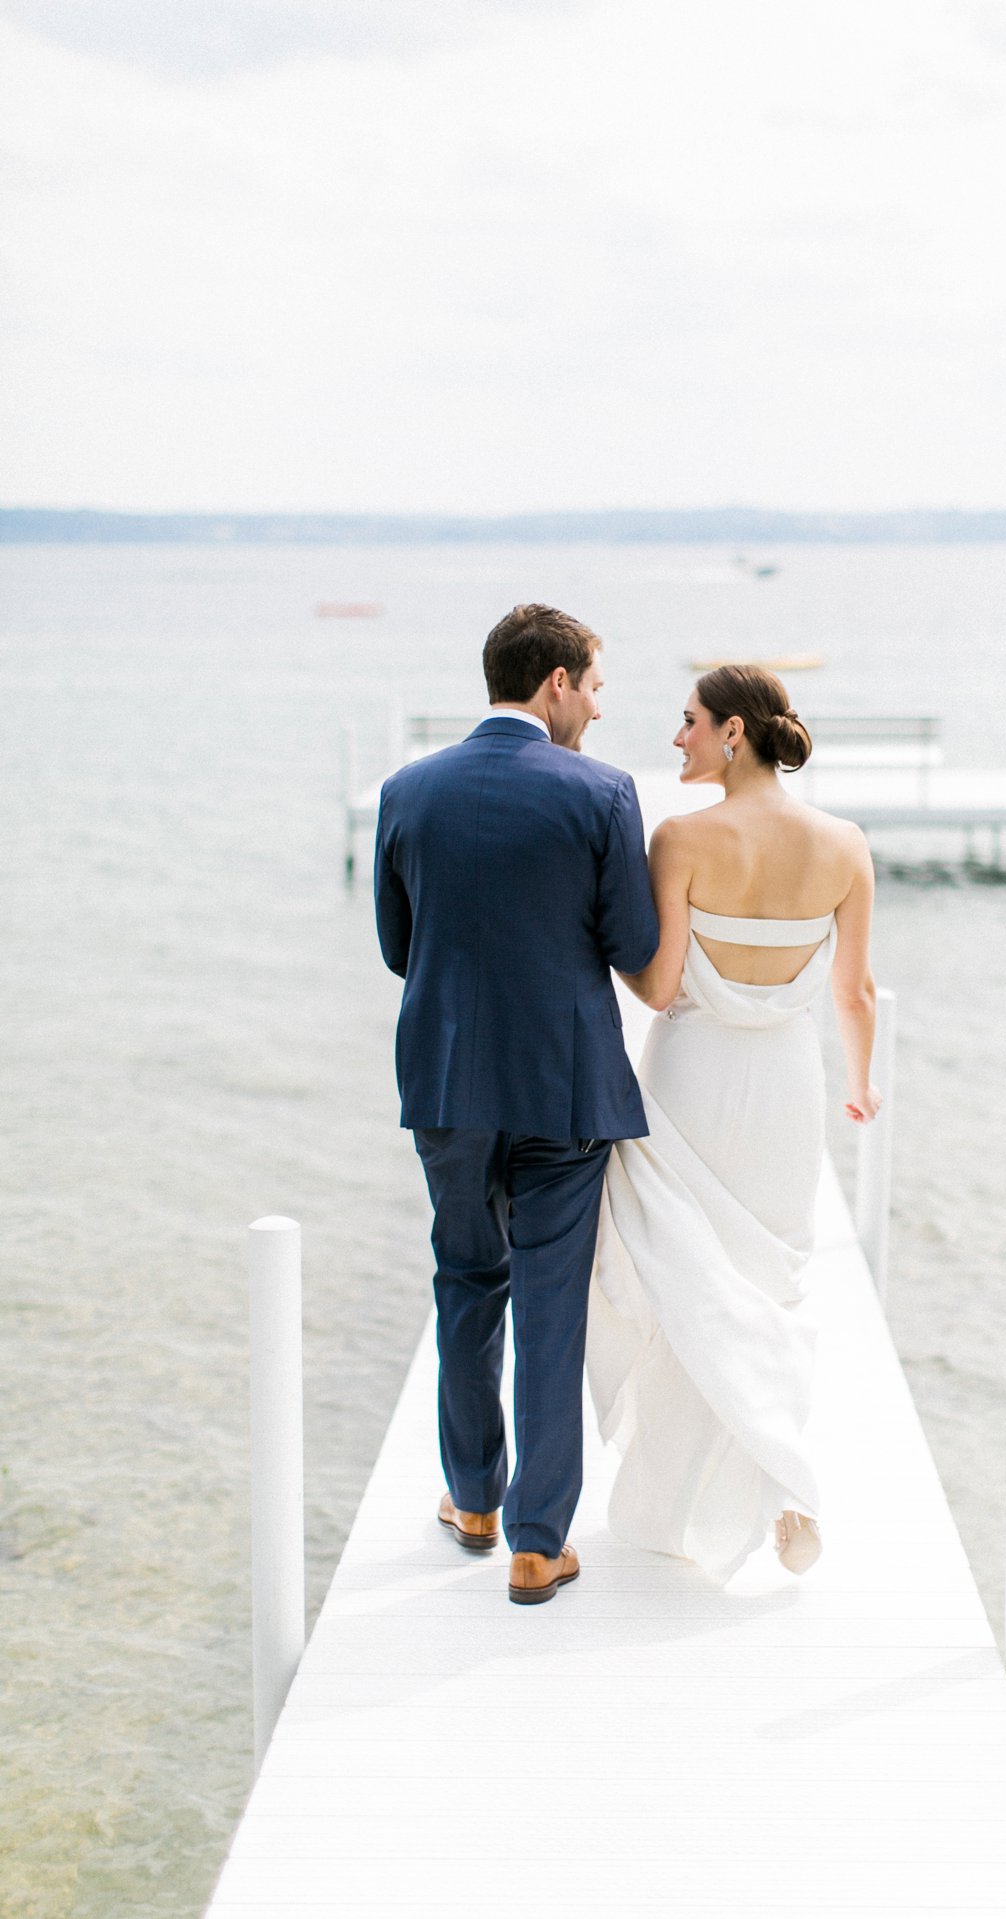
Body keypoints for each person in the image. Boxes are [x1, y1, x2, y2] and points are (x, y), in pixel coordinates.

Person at [374, 605, 659, 1605]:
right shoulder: (603, 792)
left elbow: (396, 947)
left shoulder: (406, 789)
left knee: (465, 1279)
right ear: (553, 683)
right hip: (563, 1084)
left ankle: (473, 1500)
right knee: (550, 1305)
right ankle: (539, 1541)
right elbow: (631, 944)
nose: (595, 701)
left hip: (448, 1081)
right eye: (591, 682)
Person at [588, 665, 879, 1585]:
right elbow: (854, 991)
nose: (677, 739)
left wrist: (606, 958)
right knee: (767, 1285)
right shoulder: (845, 844)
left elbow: (662, 985)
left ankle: (691, 1498)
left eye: (688, 722)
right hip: (787, 1088)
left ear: (735, 733)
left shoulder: (679, 838)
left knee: (684, 1282)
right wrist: (862, 1088)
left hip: (691, 1081)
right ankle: (776, 1476)